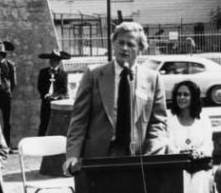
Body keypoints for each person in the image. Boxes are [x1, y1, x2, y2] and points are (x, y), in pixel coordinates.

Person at [63, 21, 168, 172]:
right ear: (113, 44)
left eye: (131, 44)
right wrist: (72, 155)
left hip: (137, 158)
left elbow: (158, 122)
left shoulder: (153, 79)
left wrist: (153, 153)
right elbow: (79, 121)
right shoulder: (93, 75)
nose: (124, 48)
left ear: (140, 49)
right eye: (121, 43)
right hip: (98, 157)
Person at [167, 80, 213, 193]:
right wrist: (182, 153)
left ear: (193, 97)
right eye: (179, 94)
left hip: (199, 163)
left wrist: (198, 153)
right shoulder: (170, 119)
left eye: (186, 94)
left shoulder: (203, 119)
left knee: (203, 179)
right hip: (179, 163)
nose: (182, 97)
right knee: (180, 179)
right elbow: (169, 144)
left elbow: (208, 144)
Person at [37, 49, 71, 136]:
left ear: (58, 62)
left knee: (57, 125)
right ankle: (40, 141)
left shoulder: (63, 74)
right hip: (46, 102)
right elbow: (40, 86)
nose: (53, 62)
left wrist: (55, 96)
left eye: (55, 60)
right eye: (51, 60)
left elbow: (64, 89)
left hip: (57, 103)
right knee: (44, 123)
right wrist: (45, 95)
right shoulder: (43, 72)